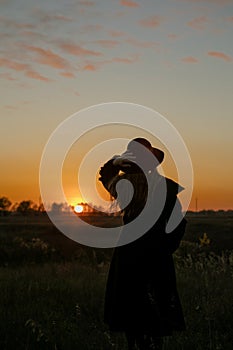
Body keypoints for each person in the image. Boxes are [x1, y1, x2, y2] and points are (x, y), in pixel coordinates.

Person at [99, 138, 186, 350]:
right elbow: (179, 223)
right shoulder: (166, 187)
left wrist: (117, 162)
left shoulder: (124, 188)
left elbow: (105, 173)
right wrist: (165, 248)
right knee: (156, 305)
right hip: (157, 256)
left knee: (131, 309)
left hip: (129, 255)